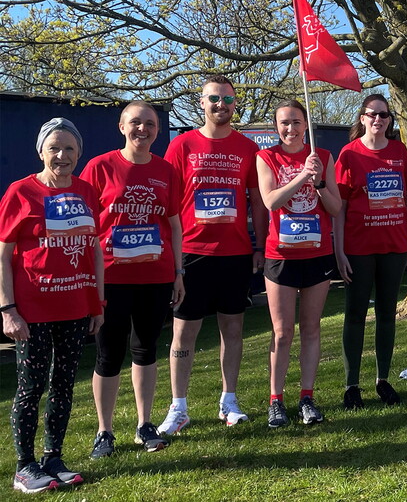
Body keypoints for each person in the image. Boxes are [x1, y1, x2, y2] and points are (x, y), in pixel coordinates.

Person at [159, 75, 268, 435]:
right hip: (191, 252)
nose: (221, 105)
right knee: (183, 333)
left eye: (228, 99)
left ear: (235, 104)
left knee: (232, 329)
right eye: (214, 99)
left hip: (235, 253)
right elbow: (169, 204)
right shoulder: (182, 146)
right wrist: (171, 256)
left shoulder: (247, 148)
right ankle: (178, 407)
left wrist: (259, 244)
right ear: (201, 103)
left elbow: (256, 201)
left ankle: (229, 400)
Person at [1, 118, 104, 493]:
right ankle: (24, 466)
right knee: (31, 388)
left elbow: (93, 249)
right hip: (32, 311)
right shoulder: (20, 192)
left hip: (75, 305)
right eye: (54, 148)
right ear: (41, 151)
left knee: (64, 385)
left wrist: (97, 303)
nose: (62, 156)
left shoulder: (87, 191)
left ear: (79, 153)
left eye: (70, 149)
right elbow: (3, 254)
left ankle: (52, 457)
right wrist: (7, 309)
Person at [80, 102, 184, 458]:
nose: (143, 129)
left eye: (150, 124)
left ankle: (144, 424)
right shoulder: (99, 167)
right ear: (122, 126)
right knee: (109, 354)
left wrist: (178, 272)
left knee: (145, 349)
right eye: (135, 123)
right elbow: (88, 226)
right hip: (111, 277)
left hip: (155, 276)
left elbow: (173, 225)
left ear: (158, 130)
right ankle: (104, 432)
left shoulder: (166, 170)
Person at [257, 100, 341, 427]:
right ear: (276, 127)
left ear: (306, 124)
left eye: (296, 122)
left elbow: (334, 208)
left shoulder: (324, 158)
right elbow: (270, 201)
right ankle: (275, 400)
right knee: (282, 334)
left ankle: (307, 396)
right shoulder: (266, 157)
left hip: (316, 254)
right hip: (280, 257)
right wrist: (302, 176)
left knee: (311, 329)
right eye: (284, 123)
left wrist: (319, 181)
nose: (290, 129)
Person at [334, 94, 407, 409]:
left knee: (386, 314)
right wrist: (339, 250)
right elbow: (339, 209)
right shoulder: (349, 154)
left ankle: (383, 379)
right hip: (358, 248)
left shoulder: (399, 151)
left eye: (384, 115)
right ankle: (351, 384)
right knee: (354, 314)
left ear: (389, 120)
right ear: (362, 118)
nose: (378, 120)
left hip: (393, 247)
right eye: (372, 114)